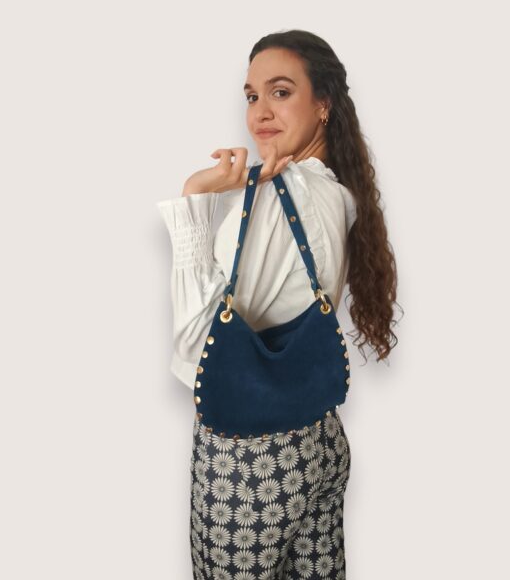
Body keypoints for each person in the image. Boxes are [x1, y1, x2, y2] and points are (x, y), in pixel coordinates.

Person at [157, 29, 401, 579]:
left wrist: (196, 196)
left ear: (323, 105)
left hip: (250, 468)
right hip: (318, 440)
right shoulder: (336, 192)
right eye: (252, 95)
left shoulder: (279, 195)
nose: (260, 111)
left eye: (281, 92)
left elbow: (196, 348)